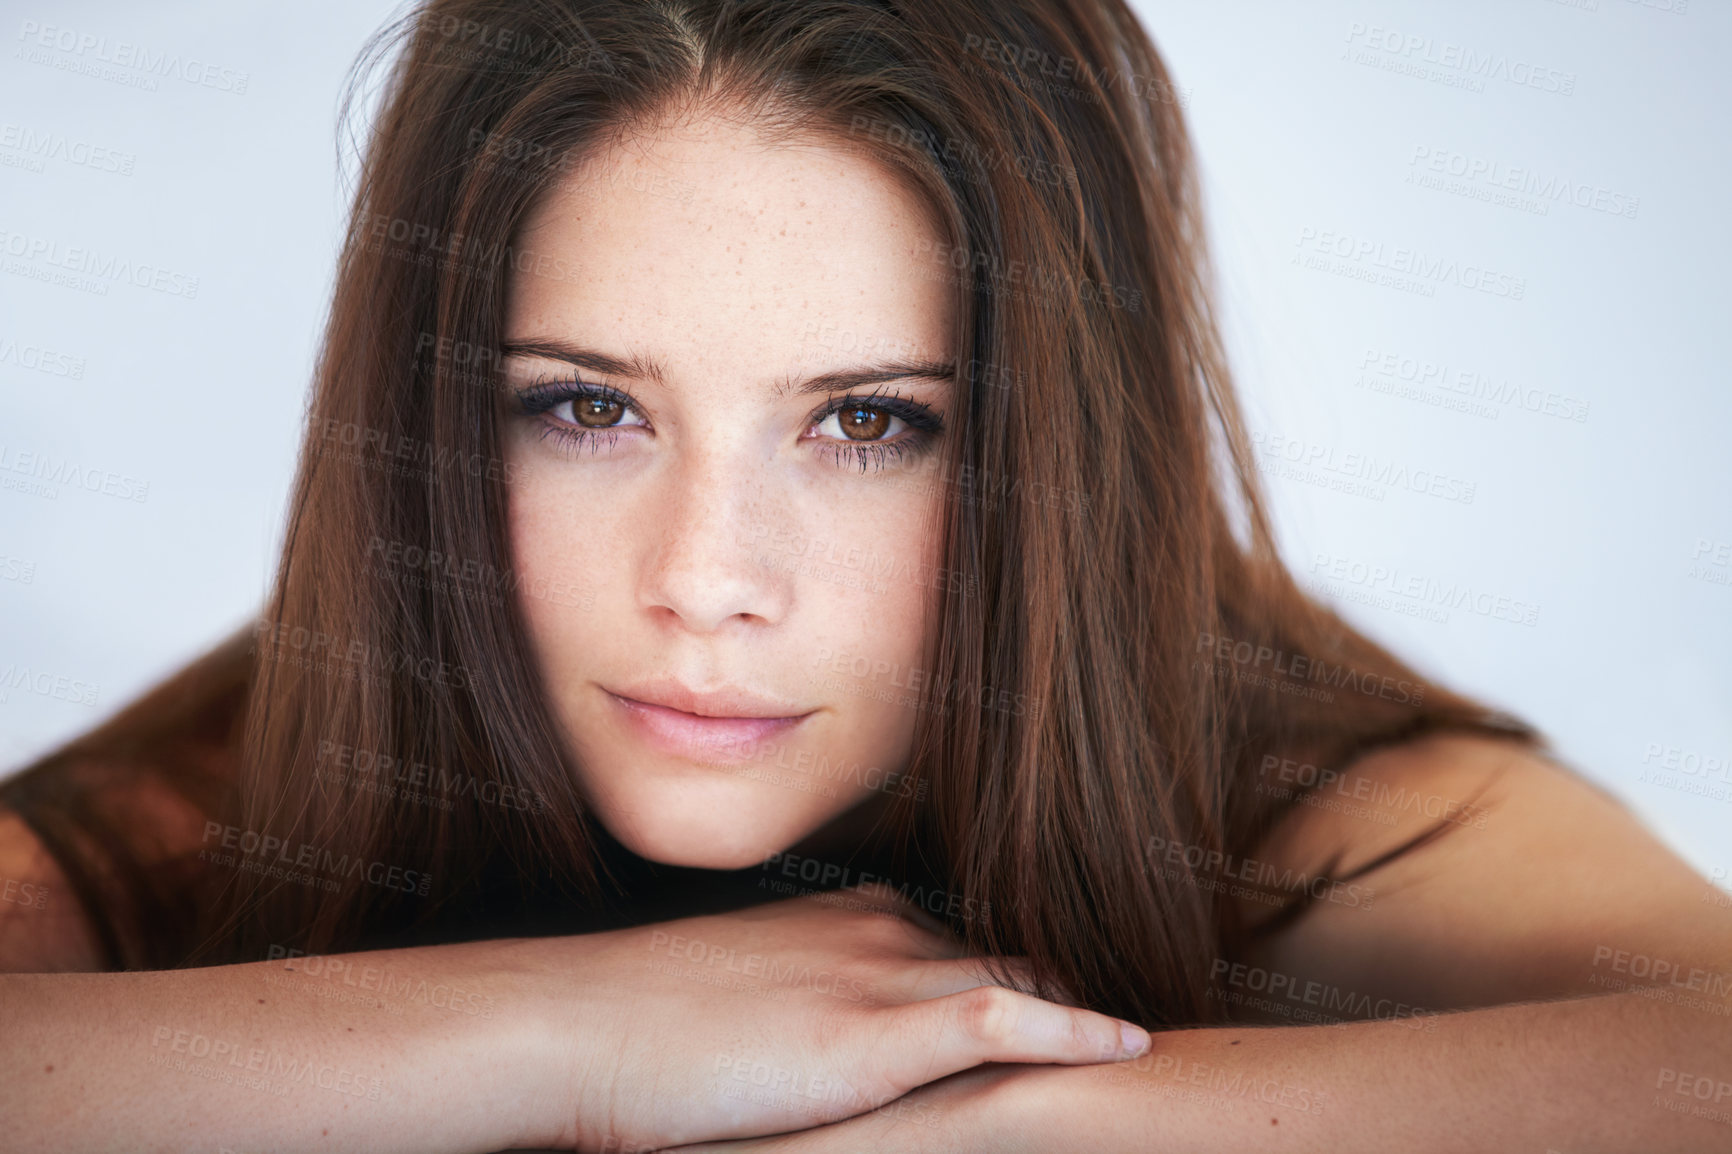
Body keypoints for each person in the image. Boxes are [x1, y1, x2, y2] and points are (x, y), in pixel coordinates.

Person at [2, 1, 1726, 1150]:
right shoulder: (260, 776)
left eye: (873, 424)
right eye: (587, 406)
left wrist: (1015, 1104)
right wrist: (557, 1033)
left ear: (1050, 455)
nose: (707, 578)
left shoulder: (1285, 782)